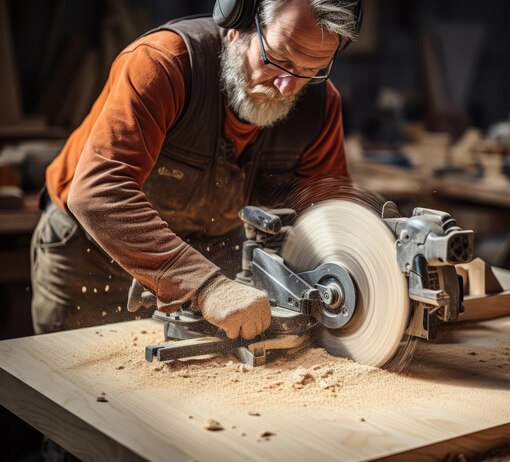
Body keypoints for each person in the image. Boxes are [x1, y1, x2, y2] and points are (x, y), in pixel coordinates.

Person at [30, 0, 362, 339]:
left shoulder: (320, 104)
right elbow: (98, 193)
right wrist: (206, 285)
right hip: (94, 252)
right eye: (278, 59)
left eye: (311, 70)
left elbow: (327, 216)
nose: (288, 87)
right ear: (237, 25)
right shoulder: (164, 63)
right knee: (76, 382)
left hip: (207, 254)